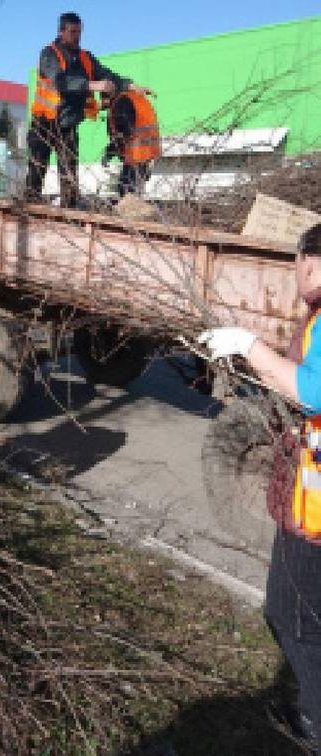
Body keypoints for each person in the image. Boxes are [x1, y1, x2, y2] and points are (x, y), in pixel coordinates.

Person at [199, 222, 321, 751]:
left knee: (292, 618)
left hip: (317, 509)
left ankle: (316, 725)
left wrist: (248, 345)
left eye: (304, 263)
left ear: (308, 264)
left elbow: (314, 391)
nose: (302, 274)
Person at [25, 11, 152, 208]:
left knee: (69, 173)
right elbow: (61, 81)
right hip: (44, 123)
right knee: (37, 170)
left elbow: (107, 75)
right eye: (73, 31)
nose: (77, 36)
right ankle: (30, 208)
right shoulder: (49, 54)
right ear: (61, 31)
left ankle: (70, 211)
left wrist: (131, 85)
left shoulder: (86, 58)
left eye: (80, 31)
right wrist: (94, 85)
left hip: (67, 124)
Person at [102, 87, 161, 198]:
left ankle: (130, 212)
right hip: (149, 148)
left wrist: (110, 152)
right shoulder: (133, 97)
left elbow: (123, 132)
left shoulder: (120, 104)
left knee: (126, 189)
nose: (102, 102)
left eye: (103, 97)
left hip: (136, 151)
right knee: (135, 187)